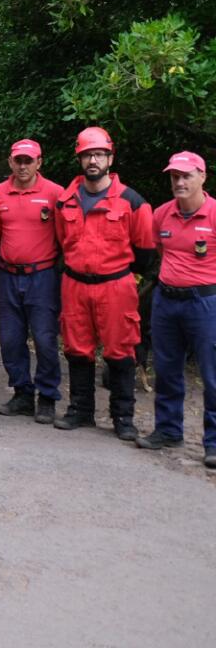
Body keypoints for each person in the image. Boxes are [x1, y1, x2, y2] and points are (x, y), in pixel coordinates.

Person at [53, 126, 154, 440]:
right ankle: (80, 411)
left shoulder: (132, 202)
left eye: (98, 154)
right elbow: (61, 242)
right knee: (76, 348)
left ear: (110, 157)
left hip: (115, 286)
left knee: (120, 350)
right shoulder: (65, 202)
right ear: (80, 159)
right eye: (87, 155)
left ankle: (122, 417)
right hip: (75, 284)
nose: (92, 160)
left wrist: (116, 272)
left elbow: (146, 253)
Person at [136, 152, 216, 467]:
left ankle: (212, 442)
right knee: (167, 370)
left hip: (204, 303)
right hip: (166, 301)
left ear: (202, 177)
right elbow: (156, 248)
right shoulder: (162, 214)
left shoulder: (213, 214)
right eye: (174, 177)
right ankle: (168, 430)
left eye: (186, 176)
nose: (180, 182)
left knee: (211, 375)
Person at [0, 139, 64, 423]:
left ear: (39, 162)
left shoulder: (55, 193)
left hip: (42, 276)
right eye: (18, 160)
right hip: (7, 275)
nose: (22, 166)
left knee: (44, 339)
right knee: (10, 339)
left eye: (28, 160)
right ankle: (22, 393)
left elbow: (66, 237)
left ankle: (47, 397)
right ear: (10, 162)